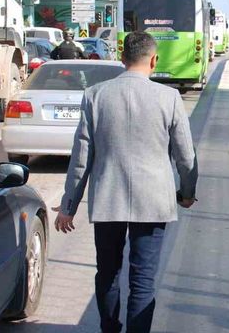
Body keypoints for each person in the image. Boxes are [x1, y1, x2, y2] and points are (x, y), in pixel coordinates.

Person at [53, 31, 198, 333]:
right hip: (154, 202)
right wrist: (186, 192)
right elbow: (186, 156)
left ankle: (109, 328)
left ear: (122, 58)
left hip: (108, 199)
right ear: (154, 60)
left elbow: (82, 157)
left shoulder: (95, 95)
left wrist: (69, 205)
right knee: (143, 280)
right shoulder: (169, 97)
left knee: (107, 273)